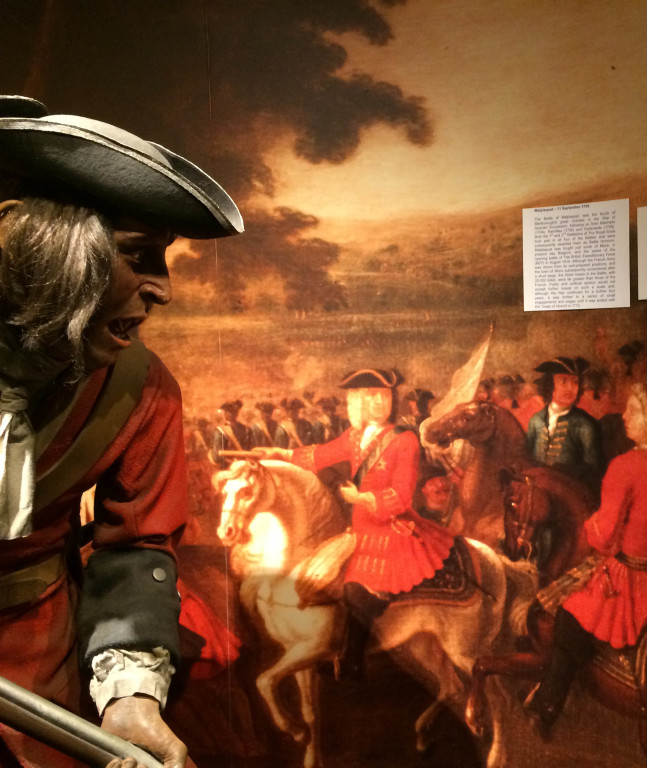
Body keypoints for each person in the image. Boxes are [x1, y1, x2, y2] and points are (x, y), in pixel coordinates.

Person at [0, 95, 243, 767]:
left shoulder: (142, 389)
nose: (162, 290)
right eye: (139, 256)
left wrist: (131, 699)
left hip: (35, 658)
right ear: (54, 254)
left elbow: (134, 550)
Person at [523, 377, 647, 736]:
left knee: (567, 619)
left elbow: (604, 535)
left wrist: (591, 524)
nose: (624, 416)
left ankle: (549, 705)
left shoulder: (625, 466)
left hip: (627, 582)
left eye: (634, 410)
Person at [256, 368, 454, 679]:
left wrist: (360, 498)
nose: (380, 402)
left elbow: (401, 497)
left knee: (356, 592)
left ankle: (353, 659)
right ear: (359, 401)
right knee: (320, 578)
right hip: (359, 529)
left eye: (385, 396)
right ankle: (325, 645)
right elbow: (317, 456)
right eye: (372, 396)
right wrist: (277, 452)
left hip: (392, 529)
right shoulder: (354, 437)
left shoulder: (405, 440)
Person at [525, 356, 604, 496]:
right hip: (536, 495)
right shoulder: (535, 421)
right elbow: (527, 459)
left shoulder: (585, 424)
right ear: (550, 385)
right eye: (564, 381)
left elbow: (593, 471)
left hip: (571, 497)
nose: (570, 388)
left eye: (575, 382)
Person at [209, 399, 253, 467]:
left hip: (247, 464)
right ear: (225, 414)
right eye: (230, 412)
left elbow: (252, 449)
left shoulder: (247, 430)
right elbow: (217, 456)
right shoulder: (220, 431)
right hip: (229, 466)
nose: (232, 414)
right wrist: (232, 462)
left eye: (234, 412)